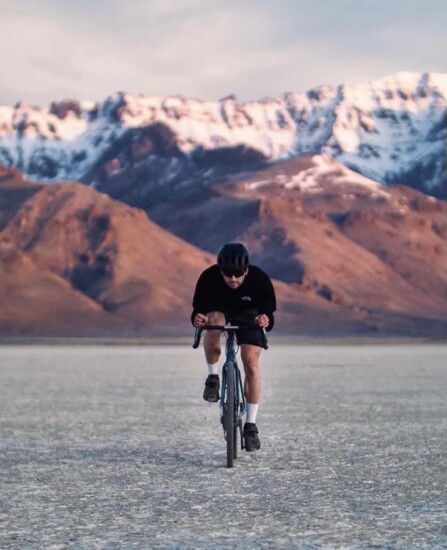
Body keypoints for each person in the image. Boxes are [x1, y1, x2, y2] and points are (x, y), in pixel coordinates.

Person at [191, 242, 276, 452]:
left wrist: (265, 319)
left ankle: (250, 426)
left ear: (246, 270)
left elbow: (268, 313)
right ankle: (213, 378)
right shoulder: (208, 278)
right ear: (220, 271)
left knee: (251, 365)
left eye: (238, 274)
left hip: (249, 317)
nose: (233, 279)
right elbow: (198, 311)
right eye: (228, 275)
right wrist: (197, 318)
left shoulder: (259, 279)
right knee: (212, 320)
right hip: (220, 313)